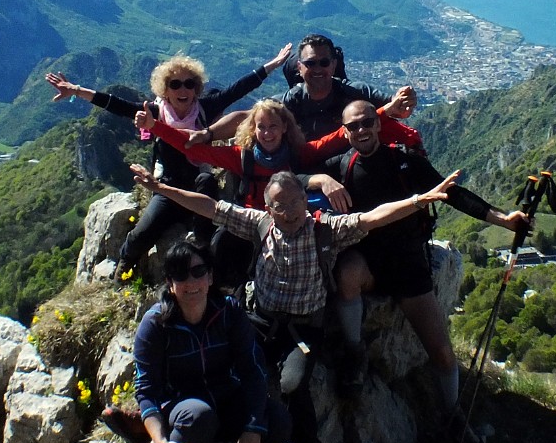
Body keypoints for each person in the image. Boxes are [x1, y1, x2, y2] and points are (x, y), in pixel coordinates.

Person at [128, 163, 460, 443]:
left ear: (306, 199)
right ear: (267, 208)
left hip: (302, 331)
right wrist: (160, 190)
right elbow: (210, 206)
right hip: (259, 322)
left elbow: (372, 217)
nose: (289, 212)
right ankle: (166, 424)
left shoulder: (326, 229)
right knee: (224, 371)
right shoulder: (259, 224)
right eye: (280, 206)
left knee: (292, 385)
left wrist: (420, 200)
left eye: (295, 202)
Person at [305, 100, 530, 443]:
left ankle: (452, 415)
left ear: (378, 125)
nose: (362, 130)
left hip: (409, 264)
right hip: (369, 261)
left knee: (441, 351)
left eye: (368, 122)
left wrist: (502, 219)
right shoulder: (340, 166)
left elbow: (452, 194)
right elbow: (292, 179)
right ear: (345, 131)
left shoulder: (405, 162)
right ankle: (354, 351)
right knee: (346, 274)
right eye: (354, 126)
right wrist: (320, 179)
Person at [45, 43, 293, 276]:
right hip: (168, 186)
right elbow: (115, 104)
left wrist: (273, 64)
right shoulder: (155, 112)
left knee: (207, 182)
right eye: (175, 84)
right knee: (143, 233)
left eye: (189, 84)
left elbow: (239, 88)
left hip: (199, 182)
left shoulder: (205, 108)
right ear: (165, 89)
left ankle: (202, 247)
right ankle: (124, 265)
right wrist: (77, 91)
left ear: (196, 87)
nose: (183, 90)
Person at [135, 97, 425, 287]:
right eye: (261, 127)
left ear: (285, 126)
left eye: (274, 126)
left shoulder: (300, 154)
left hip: (290, 227)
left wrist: (387, 111)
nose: (268, 132)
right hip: (251, 225)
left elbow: (341, 135)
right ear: (253, 129)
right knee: (220, 247)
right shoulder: (242, 156)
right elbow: (195, 148)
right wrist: (155, 127)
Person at [133, 240, 291, 443]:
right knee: (198, 415)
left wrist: (253, 427)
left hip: (226, 398)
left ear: (210, 276)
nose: (191, 281)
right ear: (170, 283)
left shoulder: (228, 311)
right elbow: (146, 391)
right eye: (180, 275)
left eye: (197, 271)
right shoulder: (155, 325)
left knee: (277, 419)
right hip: (184, 410)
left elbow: (252, 370)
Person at [280, 33, 401, 141]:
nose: (317, 69)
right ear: (299, 67)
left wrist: (404, 98)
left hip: (351, 163)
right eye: (310, 63)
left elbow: (396, 106)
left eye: (324, 63)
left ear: (333, 65)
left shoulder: (356, 93)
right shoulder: (289, 102)